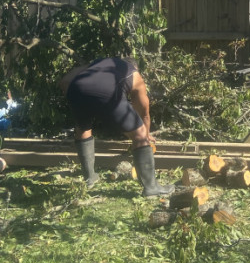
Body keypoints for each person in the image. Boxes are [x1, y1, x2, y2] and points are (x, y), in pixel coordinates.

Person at [59, 57, 174, 198]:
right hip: (107, 93)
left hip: (76, 88)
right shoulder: (133, 74)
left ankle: (90, 178)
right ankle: (151, 188)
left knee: (83, 128)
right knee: (140, 135)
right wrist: (145, 135)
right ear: (135, 68)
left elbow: (65, 81)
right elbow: (144, 113)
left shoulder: (98, 63)